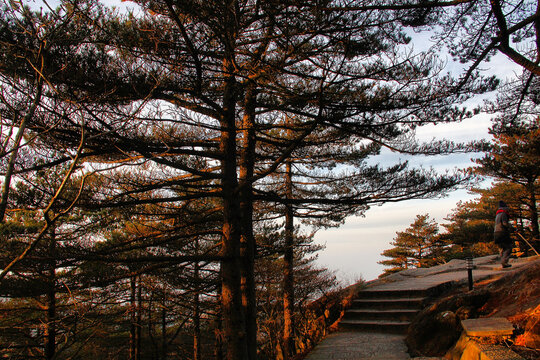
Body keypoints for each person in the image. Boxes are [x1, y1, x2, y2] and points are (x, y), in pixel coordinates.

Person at [494, 200, 513, 268]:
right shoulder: (504, 213)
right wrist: (511, 227)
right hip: (502, 232)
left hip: (496, 233)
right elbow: (505, 223)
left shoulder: (498, 214)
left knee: (502, 248)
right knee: (508, 247)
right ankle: (504, 262)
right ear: (505, 207)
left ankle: (503, 262)